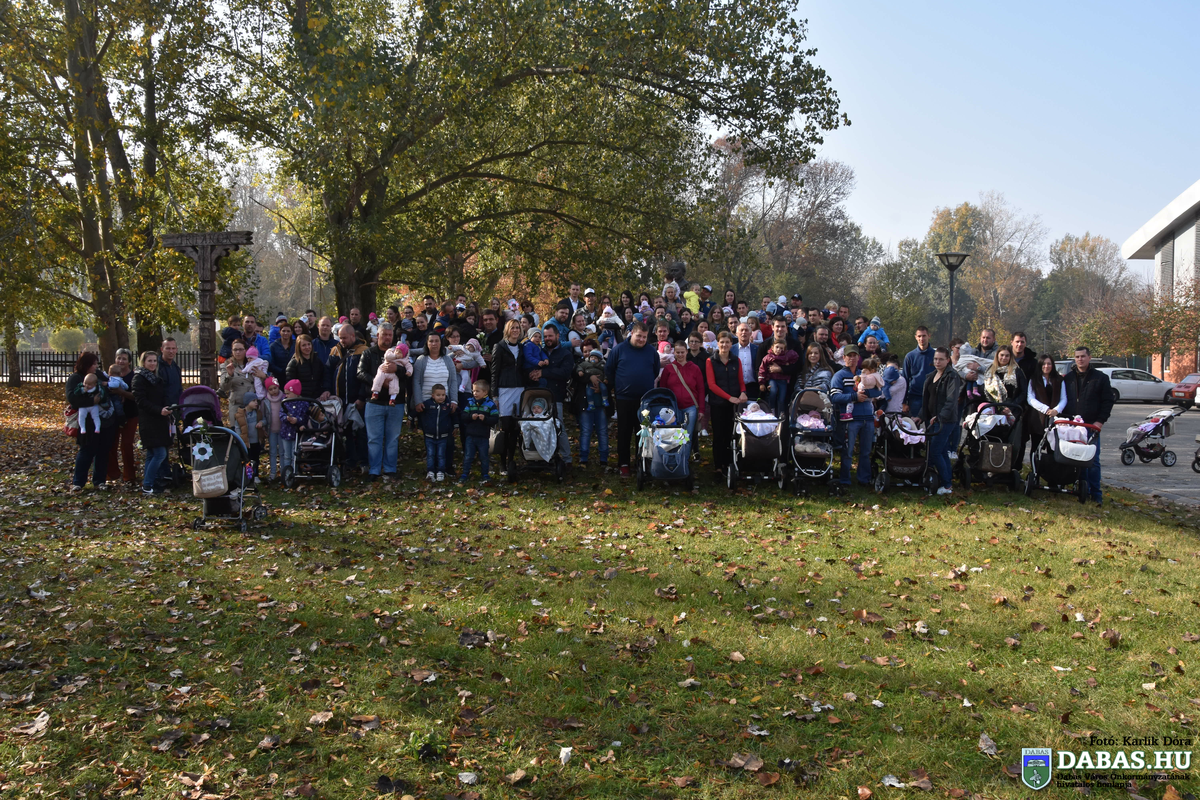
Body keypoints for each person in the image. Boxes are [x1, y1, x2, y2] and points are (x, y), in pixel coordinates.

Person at [607, 321, 660, 476]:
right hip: (624, 398)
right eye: (639, 336)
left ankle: (642, 462)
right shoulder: (619, 350)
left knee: (644, 432)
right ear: (632, 334)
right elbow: (609, 370)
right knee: (624, 431)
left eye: (644, 337)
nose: (642, 339)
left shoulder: (651, 351)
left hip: (645, 400)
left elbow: (655, 371)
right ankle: (624, 463)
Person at [1062, 346, 1114, 505]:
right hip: (1072, 426)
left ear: (1089, 357)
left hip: (1091, 426)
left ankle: (1096, 494)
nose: (1080, 359)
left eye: (1083, 356)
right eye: (1077, 357)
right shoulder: (1068, 378)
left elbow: (1107, 402)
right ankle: (1080, 490)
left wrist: (1100, 421)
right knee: (1075, 459)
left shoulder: (1100, 378)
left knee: (1092, 461)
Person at [357, 323, 405, 481]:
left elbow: (408, 372)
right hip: (374, 402)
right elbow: (360, 373)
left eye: (390, 335)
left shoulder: (400, 353)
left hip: (396, 402)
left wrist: (397, 369)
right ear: (378, 335)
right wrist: (377, 382)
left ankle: (390, 469)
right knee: (374, 439)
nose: (387, 338)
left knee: (392, 439)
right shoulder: (368, 353)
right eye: (384, 334)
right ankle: (374, 470)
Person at [66, 352, 116, 491]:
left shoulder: (99, 375)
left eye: (96, 364)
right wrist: (91, 401)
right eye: (93, 364)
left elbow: (109, 387)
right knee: (86, 450)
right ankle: (78, 482)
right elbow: (72, 398)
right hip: (87, 421)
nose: (95, 366)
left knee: (103, 451)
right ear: (86, 364)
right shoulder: (76, 378)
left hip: (105, 420)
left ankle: (99, 481)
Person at [326, 323, 369, 473]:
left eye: (344, 338)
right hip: (339, 401)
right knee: (346, 432)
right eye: (340, 338)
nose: (342, 341)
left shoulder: (363, 351)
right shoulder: (335, 351)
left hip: (357, 400)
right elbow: (327, 372)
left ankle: (364, 461)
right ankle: (350, 461)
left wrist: (361, 397)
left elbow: (366, 377)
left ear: (352, 336)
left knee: (361, 432)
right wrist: (327, 390)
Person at [831, 347, 877, 487]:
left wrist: (867, 394)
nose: (852, 358)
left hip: (868, 417)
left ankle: (864, 479)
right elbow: (834, 396)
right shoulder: (839, 376)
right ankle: (845, 479)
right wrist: (854, 396)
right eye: (849, 356)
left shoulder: (864, 373)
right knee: (848, 451)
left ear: (858, 358)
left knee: (866, 451)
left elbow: (878, 391)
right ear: (844, 358)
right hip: (850, 419)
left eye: (854, 356)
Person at [132, 351, 174, 496]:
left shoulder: (156, 378)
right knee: (160, 454)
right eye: (149, 361)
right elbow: (141, 401)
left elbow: (162, 395)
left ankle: (148, 484)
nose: (152, 364)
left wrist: (167, 407)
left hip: (160, 420)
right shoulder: (139, 378)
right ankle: (148, 484)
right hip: (149, 420)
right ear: (143, 362)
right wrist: (158, 410)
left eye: (155, 361)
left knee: (152, 454)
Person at [706, 331, 747, 478]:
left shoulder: (736, 360)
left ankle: (729, 463)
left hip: (733, 404)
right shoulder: (711, 361)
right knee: (718, 435)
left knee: (731, 434)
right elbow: (712, 385)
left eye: (727, 342)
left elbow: (741, 381)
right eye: (722, 342)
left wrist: (743, 392)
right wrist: (729, 397)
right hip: (718, 403)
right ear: (717, 343)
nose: (724, 345)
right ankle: (718, 466)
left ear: (731, 344)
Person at [921, 348, 962, 495]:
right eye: (935, 359)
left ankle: (946, 484)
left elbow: (951, 401)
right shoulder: (932, 375)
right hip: (932, 419)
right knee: (942, 451)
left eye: (941, 359)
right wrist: (920, 416)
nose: (937, 362)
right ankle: (946, 482)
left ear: (948, 360)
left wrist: (940, 417)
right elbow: (927, 400)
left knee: (935, 451)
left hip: (945, 420)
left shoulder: (952, 376)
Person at [490, 320, 526, 474]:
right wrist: (494, 395)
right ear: (507, 330)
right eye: (513, 328)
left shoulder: (522, 347)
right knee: (505, 428)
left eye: (518, 328)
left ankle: (511, 461)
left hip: (520, 389)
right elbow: (494, 372)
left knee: (515, 429)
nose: (515, 330)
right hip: (504, 390)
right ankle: (502, 463)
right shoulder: (499, 347)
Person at [659, 340, 706, 450]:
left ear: (686, 352)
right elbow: (663, 389)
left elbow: (701, 390)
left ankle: (685, 459)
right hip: (673, 408)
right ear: (674, 352)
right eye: (678, 352)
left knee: (686, 436)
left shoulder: (695, 368)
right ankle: (674, 457)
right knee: (673, 436)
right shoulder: (668, 369)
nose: (680, 355)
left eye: (682, 352)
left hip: (690, 407)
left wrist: (701, 410)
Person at [539, 325, 574, 465]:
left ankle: (567, 459)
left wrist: (544, 373)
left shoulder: (565, 354)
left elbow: (564, 373)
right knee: (539, 427)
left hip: (556, 395)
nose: (548, 339)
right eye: (545, 336)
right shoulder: (539, 352)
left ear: (557, 336)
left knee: (558, 427)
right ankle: (542, 456)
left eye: (550, 336)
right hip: (539, 396)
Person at [105, 348, 139, 487]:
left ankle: (129, 475)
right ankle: (112, 473)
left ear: (129, 362)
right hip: (112, 415)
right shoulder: (110, 374)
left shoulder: (134, 377)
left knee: (126, 445)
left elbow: (136, 396)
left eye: (124, 359)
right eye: (119, 358)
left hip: (130, 414)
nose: (121, 361)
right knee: (110, 444)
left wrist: (120, 392)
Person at [575, 339, 610, 468]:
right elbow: (576, 377)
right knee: (585, 431)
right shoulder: (581, 365)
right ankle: (583, 458)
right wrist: (589, 377)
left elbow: (610, 378)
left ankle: (604, 458)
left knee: (602, 431)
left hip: (601, 404)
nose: (588, 354)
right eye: (585, 351)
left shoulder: (604, 365)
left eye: (590, 351)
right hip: (585, 404)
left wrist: (602, 387)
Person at [459, 379, 499, 483]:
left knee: (484, 457)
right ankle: (465, 474)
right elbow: (463, 416)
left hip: (483, 436)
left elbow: (495, 419)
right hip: (470, 435)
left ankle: (485, 474)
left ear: (485, 392)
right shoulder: (470, 403)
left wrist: (485, 419)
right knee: (468, 456)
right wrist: (470, 417)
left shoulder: (490, 404)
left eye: (477, 391)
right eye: (473, 391)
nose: (474, 393)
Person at [1025, 354, 1066, 456]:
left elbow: (1064, 398)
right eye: (1044, 364)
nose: (1046, 366)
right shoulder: (1034, 380)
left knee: (1053, 449)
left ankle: (1051, 467)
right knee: (1036, 448)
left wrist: (1056, 410)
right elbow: (1030, 398)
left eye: (1049, 364)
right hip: (1038, 419)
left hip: (1055, 419)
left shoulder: (1059, 380)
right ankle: (1035, 466)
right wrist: (1046, 409)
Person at [417, 383, 454, 481]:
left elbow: (455, 415)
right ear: (433, 395)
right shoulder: (427, 404)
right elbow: (418, 411)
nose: (441, 397)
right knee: (430, 455)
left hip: (443, 436)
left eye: (443, 395)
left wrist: (456, 425)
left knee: (441, 455)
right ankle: (430, 471)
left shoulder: (447, 405)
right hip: (429, 436)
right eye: (438, 395)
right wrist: (411, 417)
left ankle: (441, 471)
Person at [758, 338, 798, 417]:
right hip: (772, 379)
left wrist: (788, 363)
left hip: (783, 380)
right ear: (772, 347)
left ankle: (781, 413)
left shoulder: (786, 357)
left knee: (782, 398)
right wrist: (761, 383)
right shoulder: (768, 357)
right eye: (777, 347)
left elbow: (795, 357)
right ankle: (771, 410)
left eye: (781, 348)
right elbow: (762, 370)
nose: (779, 350)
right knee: (773, 392)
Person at [902, 326, 934, 417]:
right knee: (913, 424)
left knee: (932, 425)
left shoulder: (936, 356)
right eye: (919, 336)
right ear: (915, 337)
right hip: (915, 397)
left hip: (932, 397)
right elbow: (905, 380)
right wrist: (903, 402)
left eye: (924, 336)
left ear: (929, 336)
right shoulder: (909, 357)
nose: (921, 339)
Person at [279, 379, 311, 470]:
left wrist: (298, 420)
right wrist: (286, 418)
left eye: (288, 393)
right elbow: (281, 414)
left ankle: (294, 471)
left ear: (296, 393)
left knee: (295, 453)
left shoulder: (304, 403)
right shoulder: (285, 402)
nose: (286, 395)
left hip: (297, 433)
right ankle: (286, 471)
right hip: (286, 432)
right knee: (286, 455)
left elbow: (305, 417)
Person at [285, 334, 329, 400]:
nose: (307, 347)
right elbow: (290, 384)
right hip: (301, 399)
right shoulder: (293, 363)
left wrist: (326, 390)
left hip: (317, 397)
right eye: (304, 345)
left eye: (309, 344)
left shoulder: (317, 361)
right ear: (299, 347)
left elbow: (324, 377)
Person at [730, 322, 759, 400]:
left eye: (746, 330)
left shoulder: (757, 349)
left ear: (750, 333)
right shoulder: (731, 350)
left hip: (753, 387)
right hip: (735, 387)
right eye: (741, 330)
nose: (744, 332)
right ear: (736, 333)